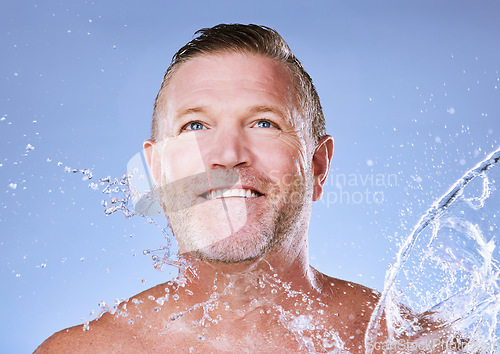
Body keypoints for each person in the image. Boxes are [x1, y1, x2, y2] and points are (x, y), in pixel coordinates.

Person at [36, 23, 391, 353]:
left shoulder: (407, 342)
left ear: (318, 166)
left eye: (264, 122)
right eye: (195, 126)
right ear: (157, 172)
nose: (228, 156)